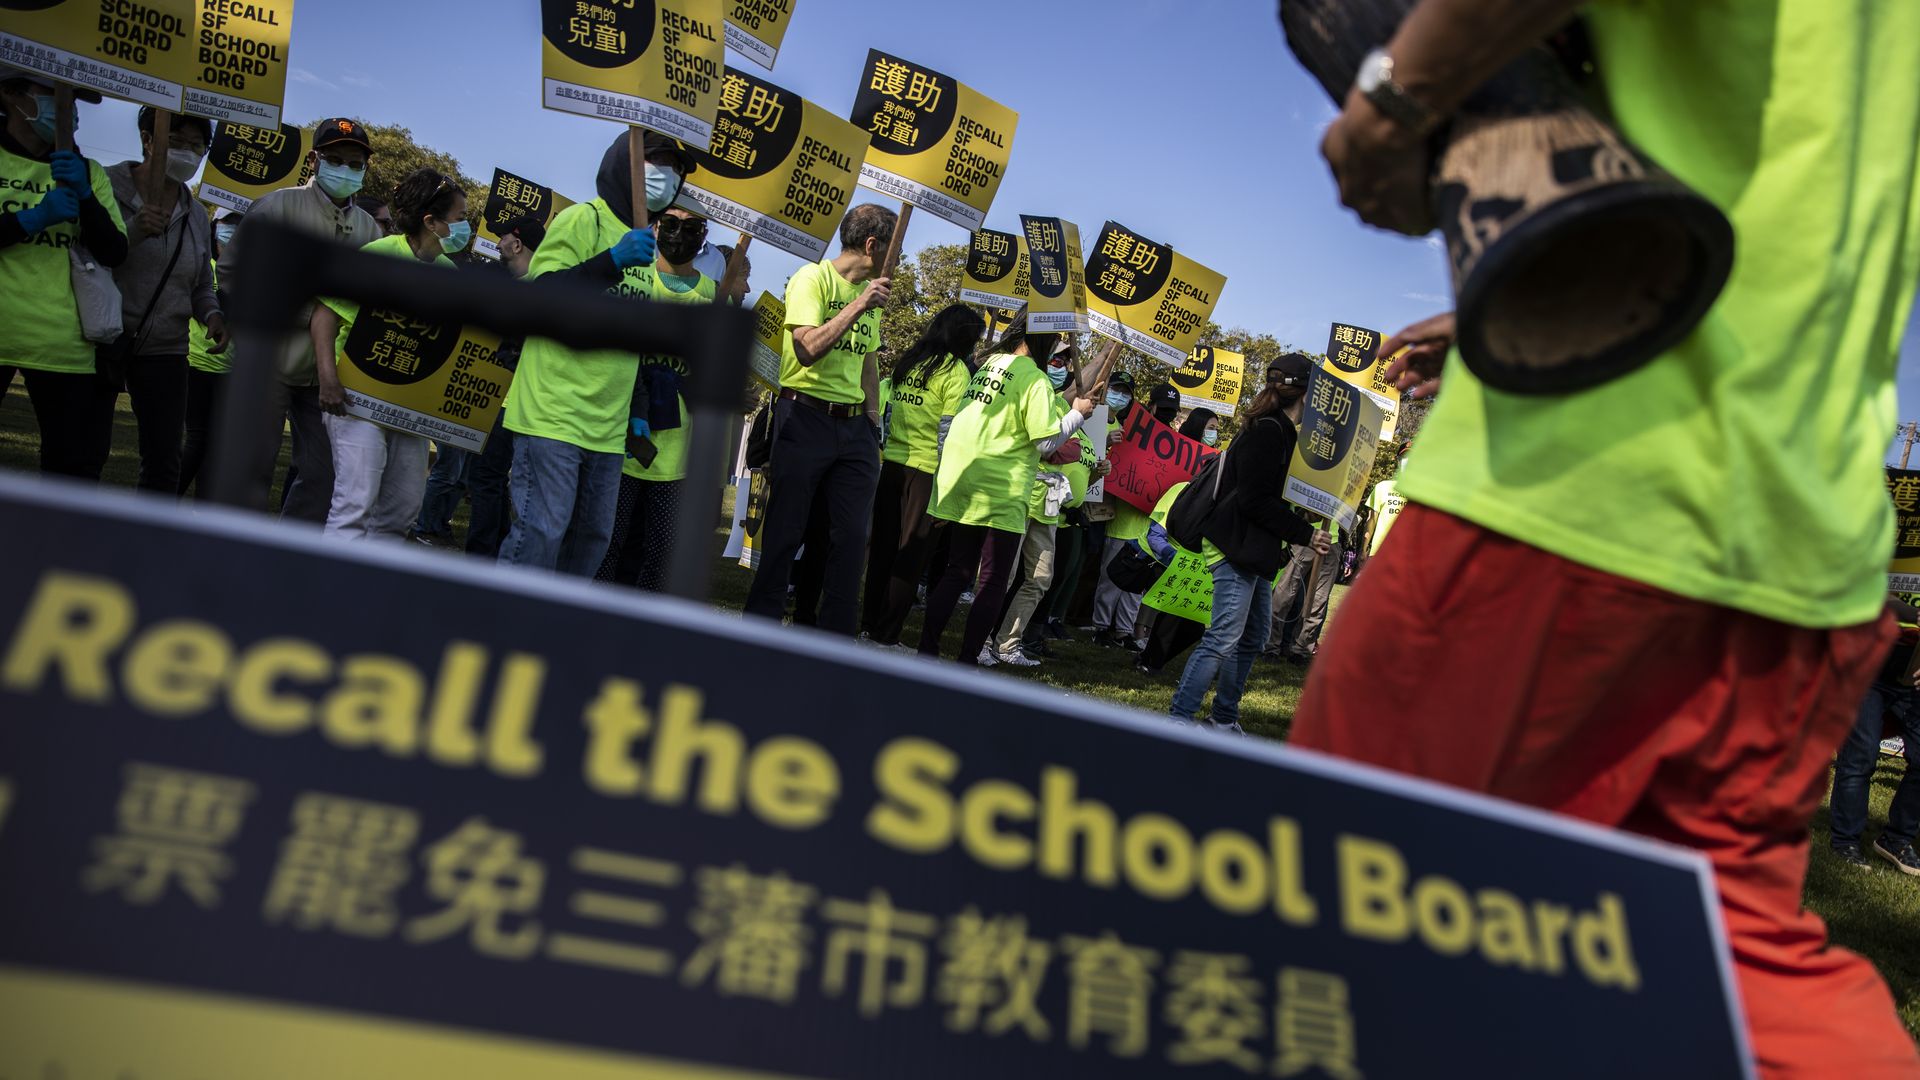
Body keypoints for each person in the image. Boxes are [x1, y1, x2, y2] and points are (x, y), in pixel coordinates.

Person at [1290, 1, 1920, 1071]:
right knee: (1723, 977)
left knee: (1332, 924)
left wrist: (1397, 99)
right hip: (1801, 527)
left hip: (1583, 476)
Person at [498, 130, 690, 575]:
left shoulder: (646, 244)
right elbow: (540, 298)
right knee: (539, 536)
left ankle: (555, 635)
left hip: (607, 429)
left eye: (677, 172)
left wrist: (638, 406)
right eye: (659, 164)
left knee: (590, 543)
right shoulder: (584, 220)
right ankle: (502, 630)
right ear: (624, 164)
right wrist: (611, 262)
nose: (669, 177)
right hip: (553, 417)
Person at [218, 117, 382, 521]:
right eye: (335, 159)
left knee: (325, 473)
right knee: (253, 464)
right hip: (268, 362)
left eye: (355, 162)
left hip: (329, 376)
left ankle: (290, 547)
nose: (345, 169)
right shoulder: (278, 206)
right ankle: (239, 546)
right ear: (314, 160)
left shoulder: (370, 230)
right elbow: (231, 271)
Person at [743, 204, 896, 633]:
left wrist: (871, 421)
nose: (896, 260)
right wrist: (860, 305)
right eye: (893, 249)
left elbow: (868, 363)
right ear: (871, 245)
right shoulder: (813, 279)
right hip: (803, 417)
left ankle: (833, 639)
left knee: (849, 540)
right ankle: (759, 629)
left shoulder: (875, 294)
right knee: (786, 532)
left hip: (854, 431)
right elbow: (808, 347)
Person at [920, 322, 1096, 664]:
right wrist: (1077, 415)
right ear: (1043, 338)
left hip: (964, 478)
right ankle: (968, 658)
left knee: (957, 570)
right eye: (1057, 338)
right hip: (1003, 485)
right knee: (993, 580)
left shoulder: (989, 365)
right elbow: (1045, 441)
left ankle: (927, 649)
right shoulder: (1035, 379)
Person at [1169, 353, 1329, 731]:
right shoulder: (1268, 431)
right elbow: (1254, 501)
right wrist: (1304, 533)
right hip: (1233, 545)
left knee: (1253, 636)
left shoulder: (1280, 432)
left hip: (1253, 548)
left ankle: (1224, 718)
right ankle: (1179, 719)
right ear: (1304, 395)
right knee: (1224, 635)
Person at [310, 168, 467, 540]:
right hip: (354, 398)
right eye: (460, 219)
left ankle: (369, 591)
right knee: (355, 503)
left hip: (410, 409)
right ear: (431, 221)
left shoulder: (449, 275)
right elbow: (325, 316)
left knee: (401, 509)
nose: (466, 228)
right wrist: (328, 379)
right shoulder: (378, 256)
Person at [0, 67, 128, 478]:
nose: (66, 109)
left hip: (62, 345)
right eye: (53, 94)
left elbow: (115, 251)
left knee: (70, 471)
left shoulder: (88, 171)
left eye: (71, 100)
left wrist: (86, 198)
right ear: (11, 95)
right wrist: (31, 219)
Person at [595, 203, 718, 589]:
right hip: (621, 437)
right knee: (606, 541)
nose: (680, 233)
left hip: (677, 452)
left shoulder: (715, 295)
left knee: (662, 550)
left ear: (704, 236)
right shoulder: (636, 280)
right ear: (656, 225)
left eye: (693, 226)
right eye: (670, 222)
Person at [103, 107, 225, 496]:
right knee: (82, 450)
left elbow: (201, 282)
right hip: (100, 339)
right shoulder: (106, 187)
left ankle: (146, 547)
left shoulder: (196, 217)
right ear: (148, 139)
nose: (187, 153)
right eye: (176, 142)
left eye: (196, 146)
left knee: (164, 460)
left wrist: (212, 313)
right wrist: (133, 232)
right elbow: (84, 256)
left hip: (167, 350)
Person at [861, 304, 985, 646]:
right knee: (910, 557)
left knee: (882, 552)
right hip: (928, 472)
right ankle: (887, 635)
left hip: (894, 466)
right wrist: (947, 489)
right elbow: (950, 434)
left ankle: (869, 625)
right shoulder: (956, 371)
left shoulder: (910, 361)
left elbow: (889, 413)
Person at [463, 213, 542, 558]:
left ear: (517, 242)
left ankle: (482, 554)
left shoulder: (534, 290)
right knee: (498, 480)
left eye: (501, 238)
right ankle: (498, 546)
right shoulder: (544, 285)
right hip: (515, 401)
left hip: (509, 402)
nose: (496, 244)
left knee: (485, 478)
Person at [1830, 595, 1920, 871]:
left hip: (1912, 677)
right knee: (1860, 756)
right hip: (1868, 665)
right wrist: (1913, 611)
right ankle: (1845, 840)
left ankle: (1896, 839)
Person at [1089, 374, 1179, 649]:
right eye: (1162, 409)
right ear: (1149, 407)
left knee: (1136, 586)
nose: (1166, 416)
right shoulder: (1130, 431)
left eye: (1171, 412)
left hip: (1149, 530)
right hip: (1122, 522)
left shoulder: (1175, 445)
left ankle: (1124, 631)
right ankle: (1101, 627)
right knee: (1111, 578)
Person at [992, 429, 1094, 665]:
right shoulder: (1047, 401)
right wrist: (1058, 450)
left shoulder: (1078, 423)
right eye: (1088, 391)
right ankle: (982, 642)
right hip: (1022, 499)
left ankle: (1006, 646)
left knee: (1040, 579)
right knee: (1003, 576)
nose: (1092, 399)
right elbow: (1045, 448)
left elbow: (1069, 451)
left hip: (1048, 507)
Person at [179, 210, 241, 498]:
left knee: (218, 446)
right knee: (199, 438)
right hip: (196, 363)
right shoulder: (205, 268)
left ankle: (201, 511)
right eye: (229, 224)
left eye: (241, 225)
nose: (233, 231)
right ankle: (165, 497)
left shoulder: (251, 274)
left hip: (231, 372)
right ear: (216, 228)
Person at [1265, 513, 1340, 664]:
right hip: (1307, 537)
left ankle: (1301, 649)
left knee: (1319, 601)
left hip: (1332, 541)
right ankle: (1270, 647)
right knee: (1285, 595)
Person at [1361, 442, 1408, 562]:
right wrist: (1364, 549)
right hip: (1379, 552)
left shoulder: (1422, 492)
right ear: (1398, 461)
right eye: (1404, 458)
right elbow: (1371, 520)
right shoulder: (1382, 487)